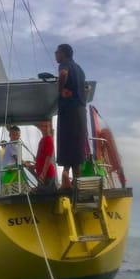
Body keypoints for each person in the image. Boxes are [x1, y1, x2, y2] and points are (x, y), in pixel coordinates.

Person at [55, 43, 88, 188]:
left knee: (66, 141)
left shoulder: (64, 64)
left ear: (63, 54)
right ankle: (77, 182)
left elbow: (63, 74)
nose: (55, 55)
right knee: (77, 146)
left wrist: (60, 89)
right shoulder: (80, 69)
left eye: (57, 52)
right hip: (81, 111)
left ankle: (65, 176)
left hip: (68, 109)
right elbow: (85, 87)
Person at [29, 120, 56, 193]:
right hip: (42, 174)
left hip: (47, 175)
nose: (45, 128)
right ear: (40, 127)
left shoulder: (49, 139)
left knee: (45, 196)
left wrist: (43, 174)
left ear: (50, 128)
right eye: (44, 126)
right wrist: (34, 166)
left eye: (47, 126)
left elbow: (48, 157)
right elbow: (41, 158)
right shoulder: (42, 140)